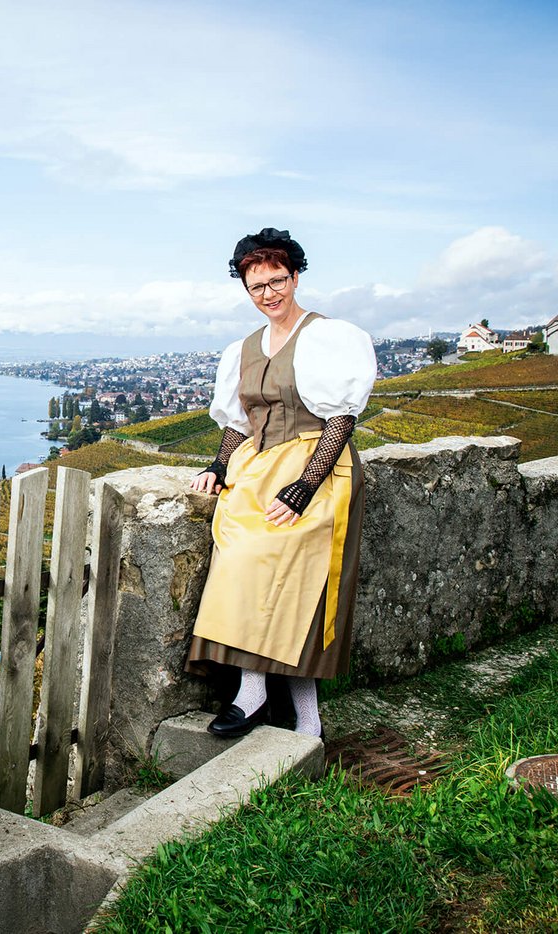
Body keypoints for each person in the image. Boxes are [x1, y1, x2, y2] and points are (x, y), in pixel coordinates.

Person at [187, 228, 376, 740]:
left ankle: (296, 714)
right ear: (246, 291)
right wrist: (219, 467)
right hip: (261, 464)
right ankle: (260, 695)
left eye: (277, 280)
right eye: (257, 286)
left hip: (318, 465)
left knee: (297, 587)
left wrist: (306, 486)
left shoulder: (326, 336)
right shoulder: (243, 349)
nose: (269, 294)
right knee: (240, 556)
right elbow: (237, 421)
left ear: (295, 277)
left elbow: (341, 418)